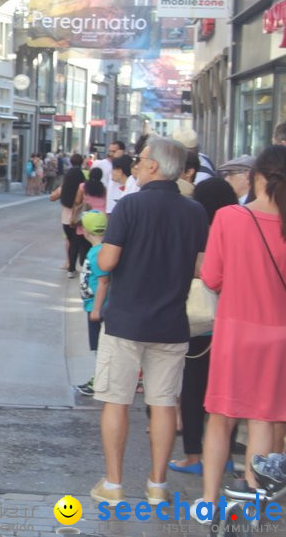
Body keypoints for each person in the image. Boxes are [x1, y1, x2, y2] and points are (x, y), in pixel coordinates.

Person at [89, 136, 209, 507]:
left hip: (126, 320)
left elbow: (107, 262)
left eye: (140, 160)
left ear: (154, 165)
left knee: (116, 401)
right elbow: (202, 269)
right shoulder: (195, 212)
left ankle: (113, 483)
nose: (136, 165)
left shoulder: (130, 206)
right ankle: (157, 484)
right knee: (162, 403)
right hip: (171, 322)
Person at [196, 145, 286, 521]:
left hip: (235, 334)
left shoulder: (230, 217)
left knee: (221, 418)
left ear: (256, 176)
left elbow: (212, 278)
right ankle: (251, 502)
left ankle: (208, 502)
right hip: (279, 337)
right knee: (262, 421)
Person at [168, 177, 239, 477]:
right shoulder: (241, 229)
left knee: (194, 393)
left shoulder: (197, 231)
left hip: (199, 325)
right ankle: (224, 457)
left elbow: (205, 275)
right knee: (227, 396)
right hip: (234, 324)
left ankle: (194, 456)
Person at [75, 210, 109, 396]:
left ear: (85, 231)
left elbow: (104, 281)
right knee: (99, 345)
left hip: (97, 307)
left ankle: (100, 380)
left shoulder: (98, 252)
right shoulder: (100, 249)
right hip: (95, 305)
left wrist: (96, 308)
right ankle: (100, 377)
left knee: (99, 346)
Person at [51, 155, 87, 278]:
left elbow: (52, 197)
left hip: (66, 218)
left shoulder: (66, 183)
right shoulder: (83, 184)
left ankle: (70, 268)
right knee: (78, 243)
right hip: (78, 219)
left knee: (71, 242)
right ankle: (76, 267)